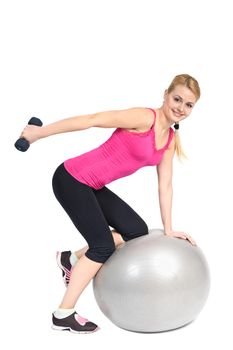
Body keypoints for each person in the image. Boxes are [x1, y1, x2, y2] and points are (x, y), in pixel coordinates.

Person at [20, 73, 200, 334]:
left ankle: (71, 260)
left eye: (188, 105)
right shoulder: (143, 118)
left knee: (137, 231)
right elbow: (92, 120)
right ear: (165, 94)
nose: (180, 108)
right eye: (177, 99)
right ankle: (63, 313)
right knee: (102, 246)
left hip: (92, 186)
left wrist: (169, 228)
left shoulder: (170, 141)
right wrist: (39, 133)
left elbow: (165, 186)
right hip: (71, 179)